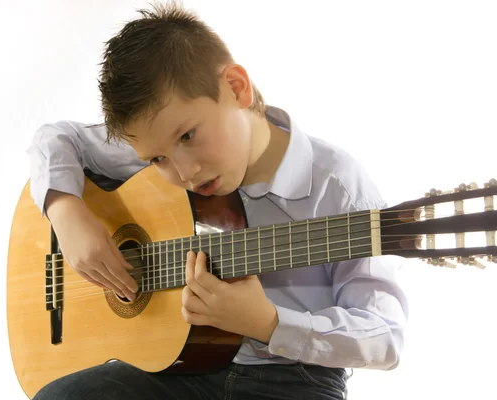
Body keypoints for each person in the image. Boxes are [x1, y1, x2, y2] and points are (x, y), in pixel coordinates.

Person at [26, 2, 409, 399]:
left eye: (189, 136)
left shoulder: (340, 187)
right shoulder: (166, 143)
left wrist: (270, 322)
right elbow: (55, 139)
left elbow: (384, 336)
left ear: (236, 88)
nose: (184, 172)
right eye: (156, 159)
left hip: (295, 382)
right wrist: (65, 212)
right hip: (177, 370)